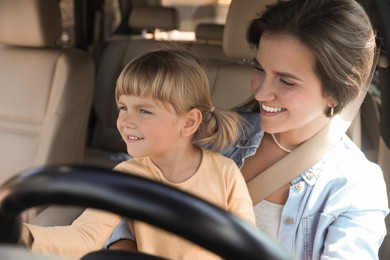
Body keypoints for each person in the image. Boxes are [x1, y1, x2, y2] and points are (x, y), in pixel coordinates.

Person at [20, 48, 256, 259]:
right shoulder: (127, 176)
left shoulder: (225, 173)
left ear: (189, 122)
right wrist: (26, 237)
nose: (125, 121)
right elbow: (86, 235)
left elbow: (246, 247)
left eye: (144, 111)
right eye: (123, 108)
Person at [220, 0, 389, 259]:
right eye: (259, 69)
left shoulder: (354, 186)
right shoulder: (213, 134)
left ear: (335, 92)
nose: (261, 92)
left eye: (286, 81)